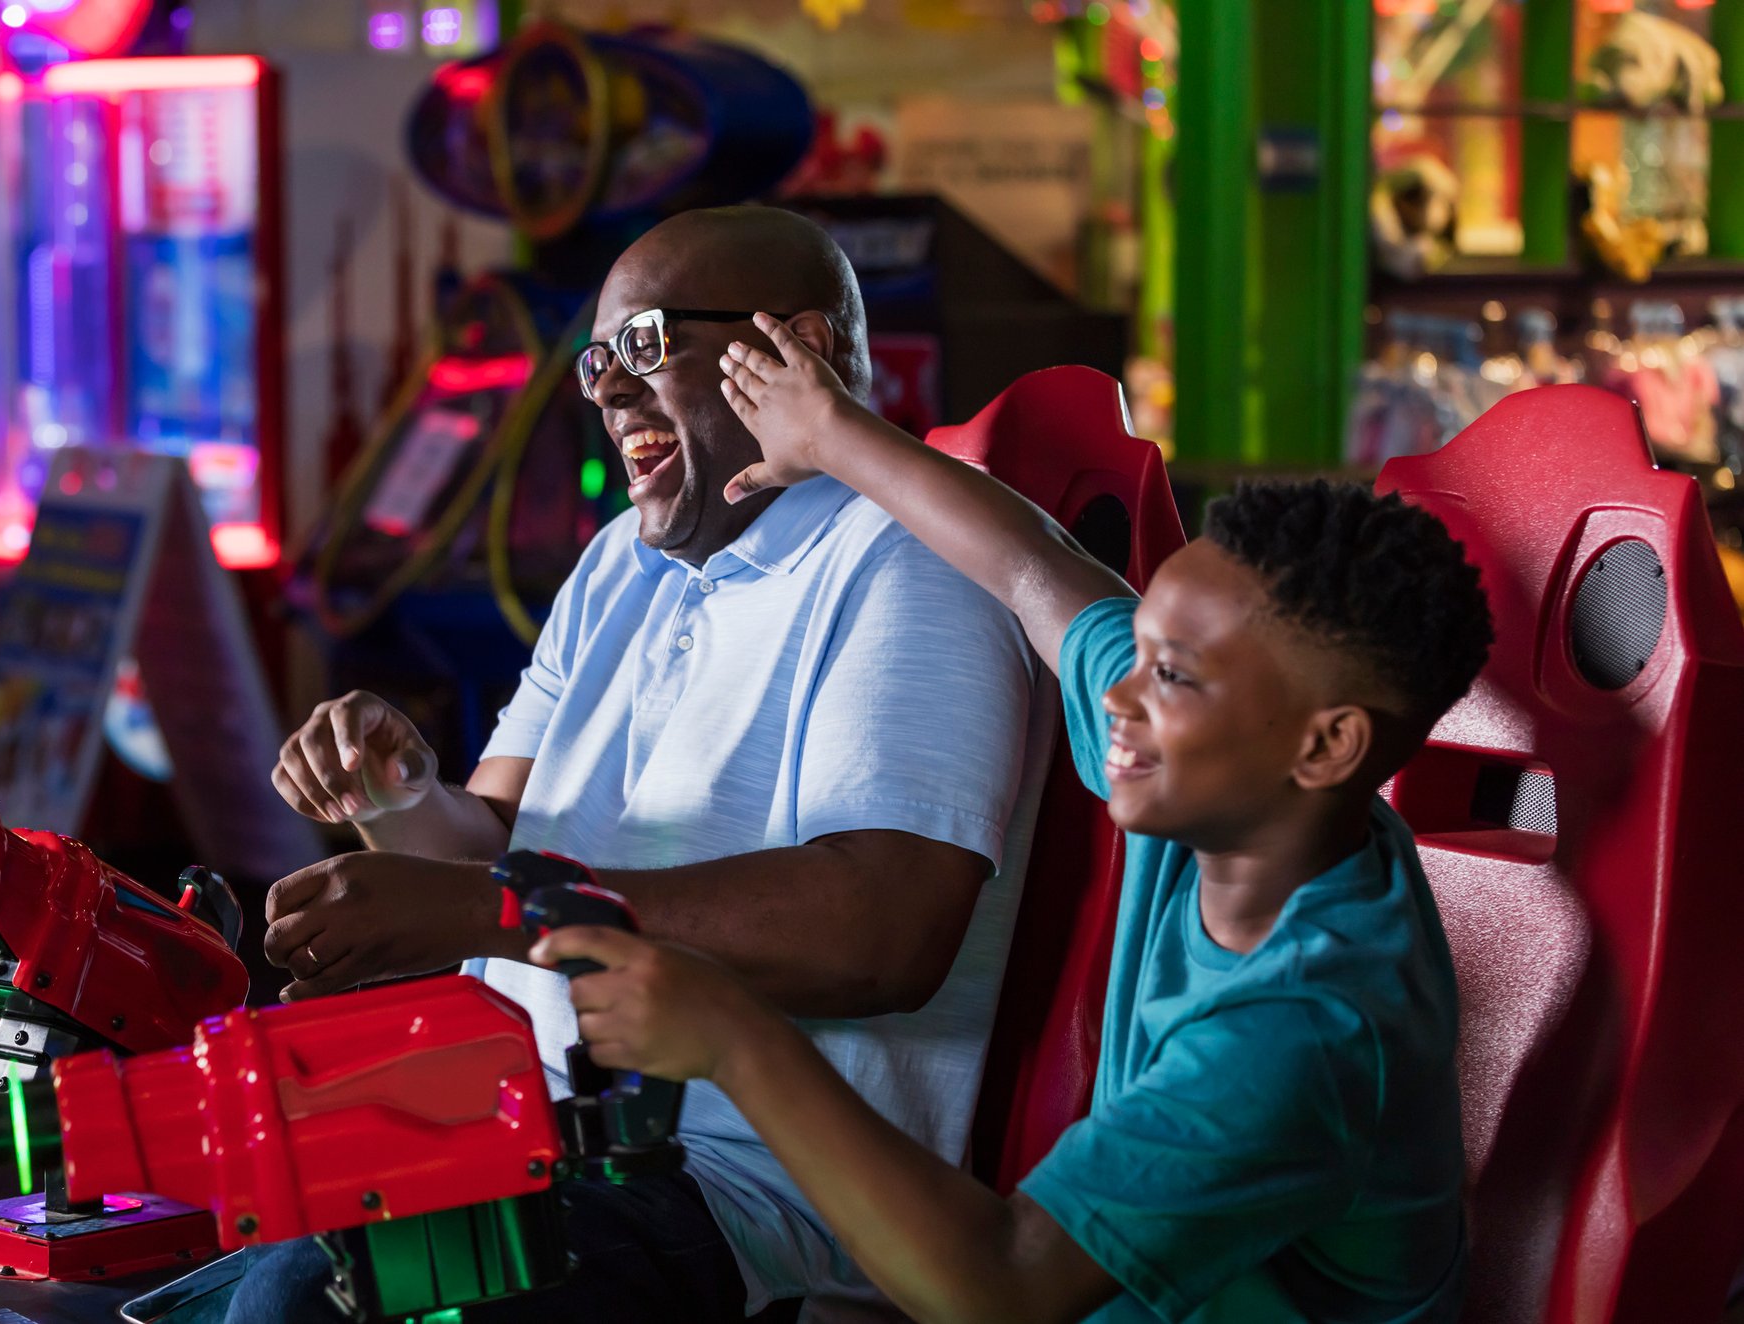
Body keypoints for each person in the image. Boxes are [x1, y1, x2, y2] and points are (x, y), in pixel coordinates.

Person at [528, 314, 1491, 1323]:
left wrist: (736, 1040)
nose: (1119, 696)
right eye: (1143, 647)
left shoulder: (1306, 1028)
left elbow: (1005, 1285)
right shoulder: (1251, 807)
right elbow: (1034, 565)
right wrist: (828, 432)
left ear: (1325, 745)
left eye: (1170, 676)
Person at [219, 208, 1055, 1323]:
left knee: (296, 1305)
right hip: (525, 1116)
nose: (610, 391)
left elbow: (880, 935)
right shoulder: (622, 560)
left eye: (649, 344)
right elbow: (494, 845)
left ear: (799, 345)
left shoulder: (904, 559)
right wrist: (398, 795)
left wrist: (484, 908)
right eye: (597, 361)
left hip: (741, 1188)